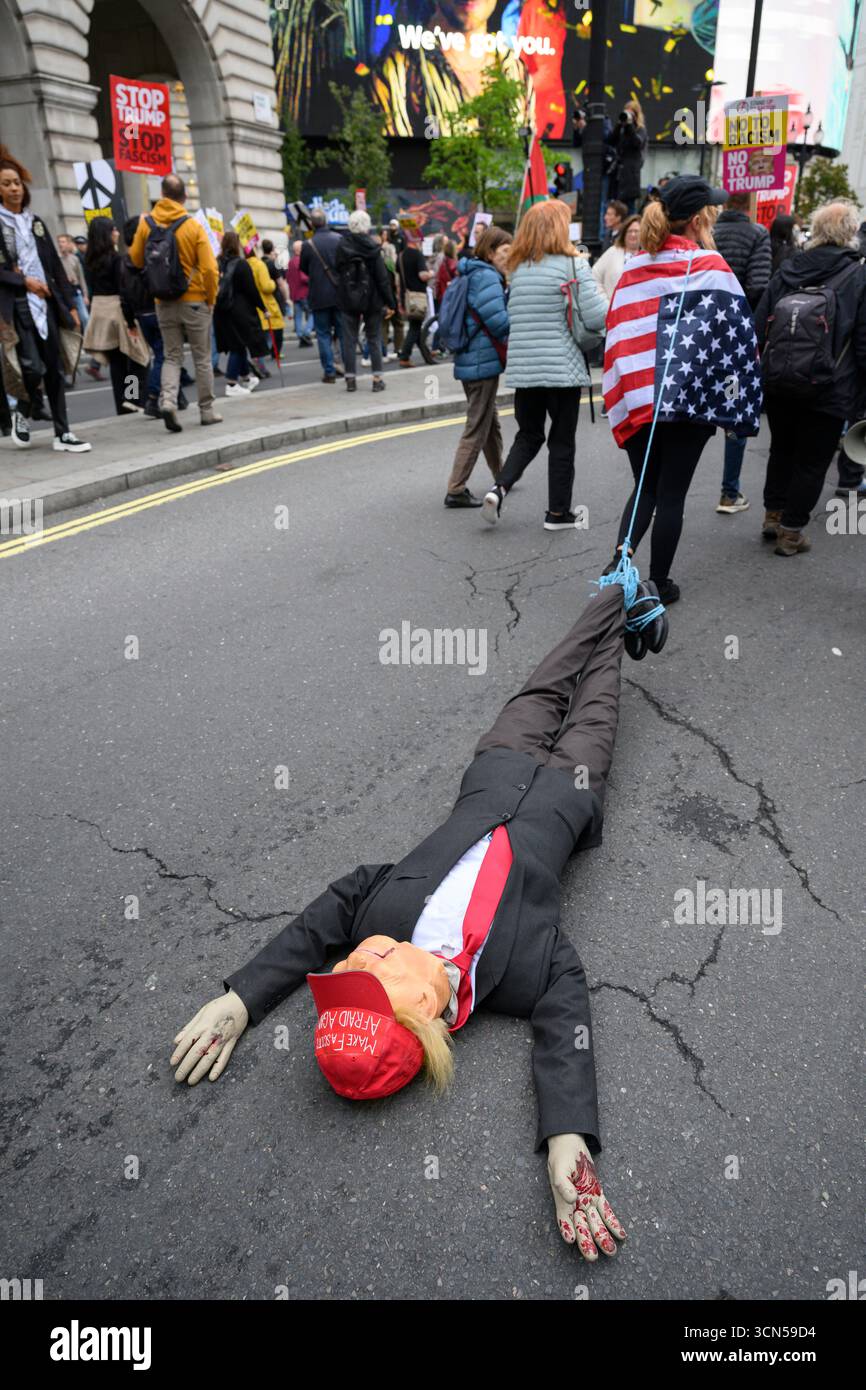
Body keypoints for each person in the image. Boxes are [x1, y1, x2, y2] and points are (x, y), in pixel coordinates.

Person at [171, 581, 644, 1260]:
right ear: (425, 1010)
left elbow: (318, 923)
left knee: (559, 662)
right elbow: (564, 1023)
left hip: (502, 759)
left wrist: (241, 999)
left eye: (347, 974)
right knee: (599, 687)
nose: (356, 959)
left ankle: (616, 589)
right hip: (572, 786)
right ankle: (629, 607)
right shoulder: (519, 975)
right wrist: (567, 1138)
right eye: (370, 978)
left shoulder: (382, 918)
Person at [603, 175, 762, 603]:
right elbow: (737, 339)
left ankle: (618, 565)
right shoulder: (710, 267)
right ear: (697, 220)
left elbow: (616, 333)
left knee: (646, 488)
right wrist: (738, 402)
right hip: (688, 403)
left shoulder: (635, 266)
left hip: (640, 399)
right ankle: (659, 583)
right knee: (672, 493)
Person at [481, 199, 607, 531]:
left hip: (526, 371)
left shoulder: (518, 270)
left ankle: (499, 488)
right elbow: (595, 315)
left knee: (528, 435)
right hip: (562, 372)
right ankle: (557, 513)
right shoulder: (573, 266)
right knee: (561, 442)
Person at [753, 200, 866, 556]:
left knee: (782, 449)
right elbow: (862, 341)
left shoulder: (788, 268)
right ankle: (791, 532)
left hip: (781, 380)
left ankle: (772, 515)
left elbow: (759, 325)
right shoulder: (859, 275)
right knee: (812, 460)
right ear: (850, 233)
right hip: (831, 386)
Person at [0, 145, 90, 453]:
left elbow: (54, 266)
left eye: (16, 183)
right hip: (18, 305)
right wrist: (23, 281)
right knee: (32, 368)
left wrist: (69, 305)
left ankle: (62, 433)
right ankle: (24, 411)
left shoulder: (35, 222)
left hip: (47, 304)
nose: (14, 188)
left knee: (55, 368)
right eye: (6, 184)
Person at [130, 172, 220, 433]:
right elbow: (210, 270)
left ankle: (167, 400)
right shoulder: (193, 226)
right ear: (184, 196)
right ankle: (207, 411)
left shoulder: (146, 224)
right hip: (194, 301)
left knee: (171, 355)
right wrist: (210, 298)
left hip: (163, 301)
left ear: (162, 195)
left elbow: (135, 260)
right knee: (202, 358)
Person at [710, 193, 772, 517]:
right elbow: (760, 285)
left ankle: (662, 494)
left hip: (703, 340)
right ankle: (728, 493)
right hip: (735, 343)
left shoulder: (708, 233)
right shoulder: (758, 234)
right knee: (733, 410)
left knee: (694, 411)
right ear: (749, 204)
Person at [444, 224, 511, 507]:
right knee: (478, 426)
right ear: (492, 251)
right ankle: (456, 488)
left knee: (489, 420)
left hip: (471, 358)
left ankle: (504, 475)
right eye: (506, 251)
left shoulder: (472, 272)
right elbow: (500, 324)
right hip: (481, 361)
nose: (510, 256)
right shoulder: (487, 278)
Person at [81, 217, 150, 415]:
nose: (117, 233)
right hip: (117, 311)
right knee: (137, 357)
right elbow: (124, 289)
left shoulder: (89, 261)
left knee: (117, 363)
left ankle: (122, 404)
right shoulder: (116, 259)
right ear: (107, 234)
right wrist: (131, 320)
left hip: (100, 313)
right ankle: (133, 397)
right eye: (114, 230)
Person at [333, 208, 395, 393]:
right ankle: (377, 380)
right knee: (374, 338)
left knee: (349, 340)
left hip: (347, 298)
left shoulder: (342, 246)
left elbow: (337, 271)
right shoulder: (373, 247)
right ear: (366, 226)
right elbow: (382, 279)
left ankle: (350, 379)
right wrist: (390, 302)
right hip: (372, 299)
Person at [213, 230, 269, 398]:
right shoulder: (241, 264)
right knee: (238, 346)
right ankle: (231, 383)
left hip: (221, 310)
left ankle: (245, 378)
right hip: (239, 311)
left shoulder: (217, 262)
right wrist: (263, 308)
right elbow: (251, 290)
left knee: (238, 344)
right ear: (236, 246)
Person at [299, 207, 345, 383]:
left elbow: (304, 268)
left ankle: (329, 372)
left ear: (312, 224)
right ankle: (347, 367)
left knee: (323, 335)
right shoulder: (339, 239)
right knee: (342, 333)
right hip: (338, 294)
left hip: (318, 296)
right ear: (326, 221)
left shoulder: (308, 245)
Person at [397, 229, 435, 366]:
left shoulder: (401, 256)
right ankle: (404, 356)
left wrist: (399, 300)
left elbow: (398, 279)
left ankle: (426, 355)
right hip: (418, 296)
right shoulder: (417, 255)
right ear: (416, 241)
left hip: (406, 297)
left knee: (415, 326)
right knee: (415, 327)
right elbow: (422, 275)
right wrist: (431, 273)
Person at [247, 247, 284, 371]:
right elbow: (266, 287)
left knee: (258, 338)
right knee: (267, 336)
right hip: (265, 304)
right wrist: (272, 283)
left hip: (250, 305)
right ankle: (258, 363)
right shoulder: (259, 265)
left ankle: (260, 366)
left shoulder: (244, 264)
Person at [607, 100, 647, 214]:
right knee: (616, 208)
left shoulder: (640, 130)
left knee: (629, 208)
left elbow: (637, 143)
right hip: (618, 175)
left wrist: (629, 126)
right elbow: (611, 141)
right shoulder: (621, 130)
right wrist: (619, 125)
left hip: (630, 176)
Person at [592, 214, 640, 300]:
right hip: (612, 310)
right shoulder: (612, 252)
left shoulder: (647, 255)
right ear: (624, 234)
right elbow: (594, 276)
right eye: (630, 231)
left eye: (636, 231)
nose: (633, 234)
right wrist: (605, 303)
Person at [286, 239, 313, 346]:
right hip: (304, 293)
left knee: (298, 316)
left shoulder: (291, 261)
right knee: (313, 313)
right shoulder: (301, 260)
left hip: (295, 294)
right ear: (301, 249)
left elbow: (287, 278)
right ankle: (306, 332)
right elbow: (304, 278)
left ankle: (300, 335)